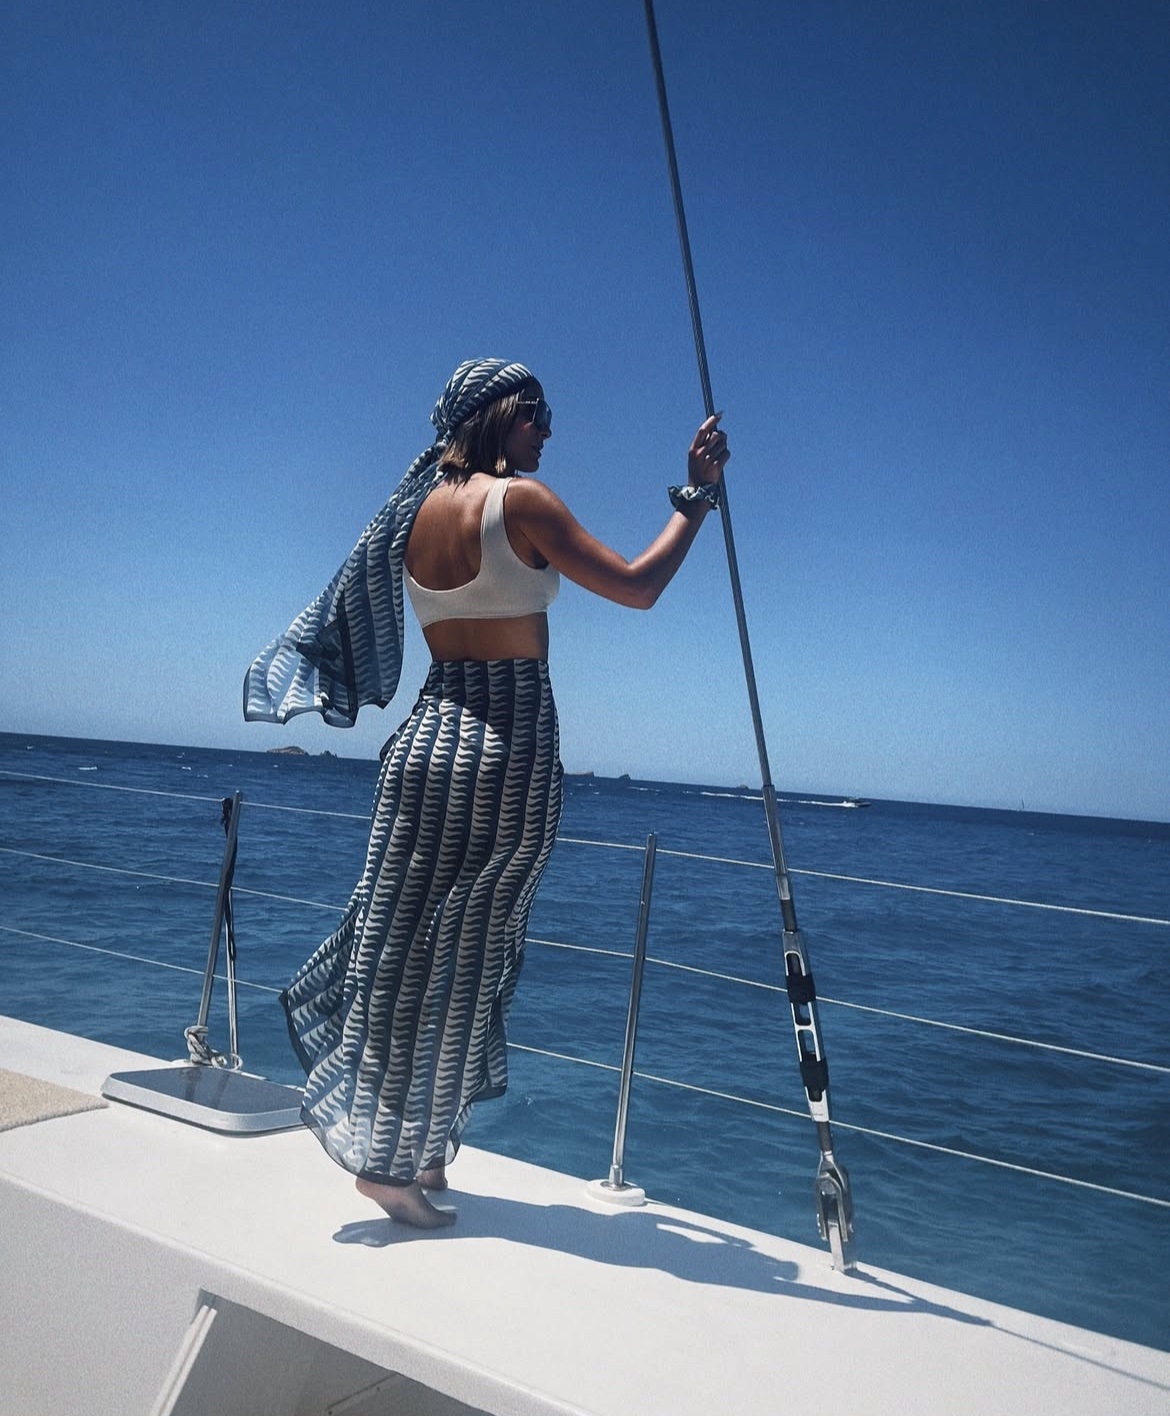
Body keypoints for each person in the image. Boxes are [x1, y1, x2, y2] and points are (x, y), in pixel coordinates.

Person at [245, 358, 728, 1227]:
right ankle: (391, 1163)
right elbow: (637, 586)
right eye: (536, 411)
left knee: (397, 951)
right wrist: (695, 498)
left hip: (423, 743)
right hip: (505, 747)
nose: (548, 428)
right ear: (497, 413)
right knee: (468, 958)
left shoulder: (411, 511)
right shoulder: (522, 502)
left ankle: (418, 1149)